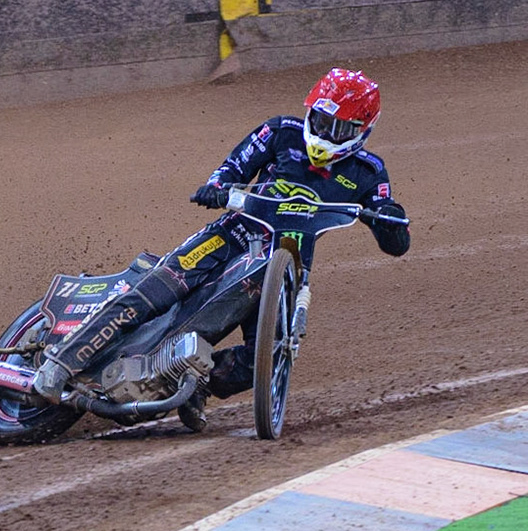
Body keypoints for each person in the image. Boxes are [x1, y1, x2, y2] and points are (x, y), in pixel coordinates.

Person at [31, 68, 411, 404]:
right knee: (151, 296)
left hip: (284, 268)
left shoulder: (369, 172)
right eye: (320, 119)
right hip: (230, 236)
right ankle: (60, 364)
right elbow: (230, 169)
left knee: (267, 355)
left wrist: (391, 218)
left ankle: (187, 387)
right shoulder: (280, 131)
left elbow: (396, 243)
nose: (325, 133)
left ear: (362, 132)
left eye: (338, 128)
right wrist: (217, 188)